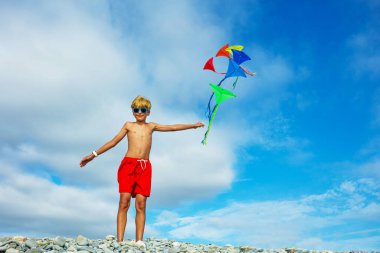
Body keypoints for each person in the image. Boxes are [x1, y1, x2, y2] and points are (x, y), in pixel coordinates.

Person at [79, 95, 204, 247]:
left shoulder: (151, 126)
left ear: (148, 112)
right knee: (124, 202)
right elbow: (113, 142)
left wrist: (193, 126)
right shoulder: (128, 125)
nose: (139, 112)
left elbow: (172, 127)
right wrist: (93, 155)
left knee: (141, 204)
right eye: (136, 109)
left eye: (143, 110)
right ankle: (119, 241)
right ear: (132, 111)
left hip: (144, 167)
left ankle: (139, 241)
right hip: (128, 165)